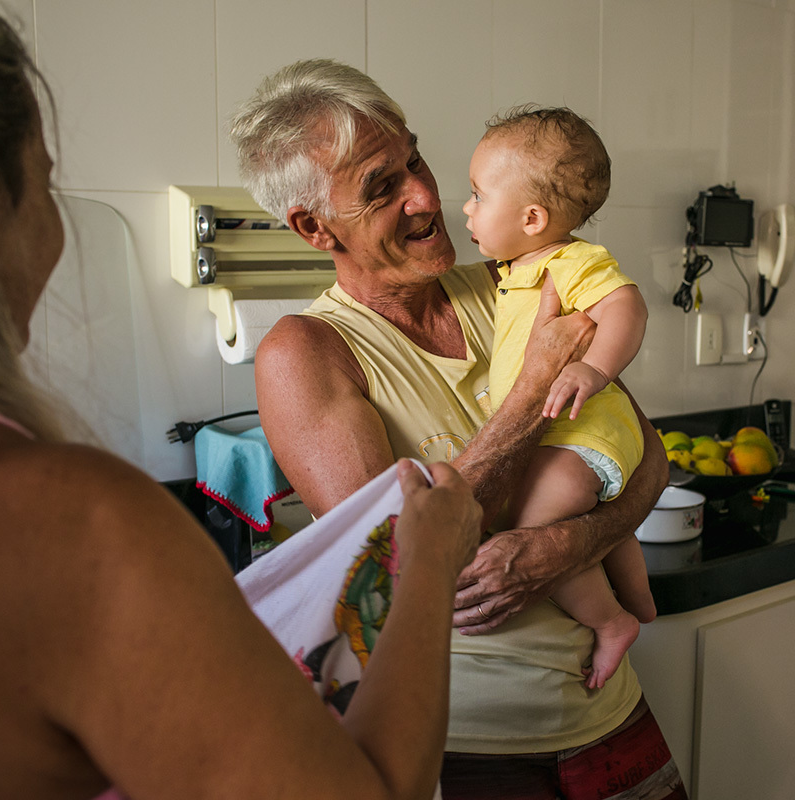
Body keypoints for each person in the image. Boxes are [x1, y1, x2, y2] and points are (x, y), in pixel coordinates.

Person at [0, 2, 482, 798]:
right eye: (46, 180)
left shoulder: (502, 287)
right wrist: (429, 557)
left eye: (415, 163)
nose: (426, 197)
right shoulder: (62, 523)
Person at [232, 60, 684, 799]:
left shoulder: (517, 280)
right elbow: (397, 571)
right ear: (315, 228)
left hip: (612, 718)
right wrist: (530, 389)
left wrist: (565, 544)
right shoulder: (305, 354)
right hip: (469, 752)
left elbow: (646, 457)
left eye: (414, 159)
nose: (424, 196)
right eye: (382, 188)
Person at [462, 106, 655, 690]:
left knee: (526, 526)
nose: (467, 209)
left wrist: (594, 369)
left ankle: (612, 620)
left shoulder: (568, 261)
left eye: (477, 195)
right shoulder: (517, 268)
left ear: (532, 217)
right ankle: (641, 601)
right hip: (575, 434)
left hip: (583, 433)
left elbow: (626, 306)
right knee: (598, 523)